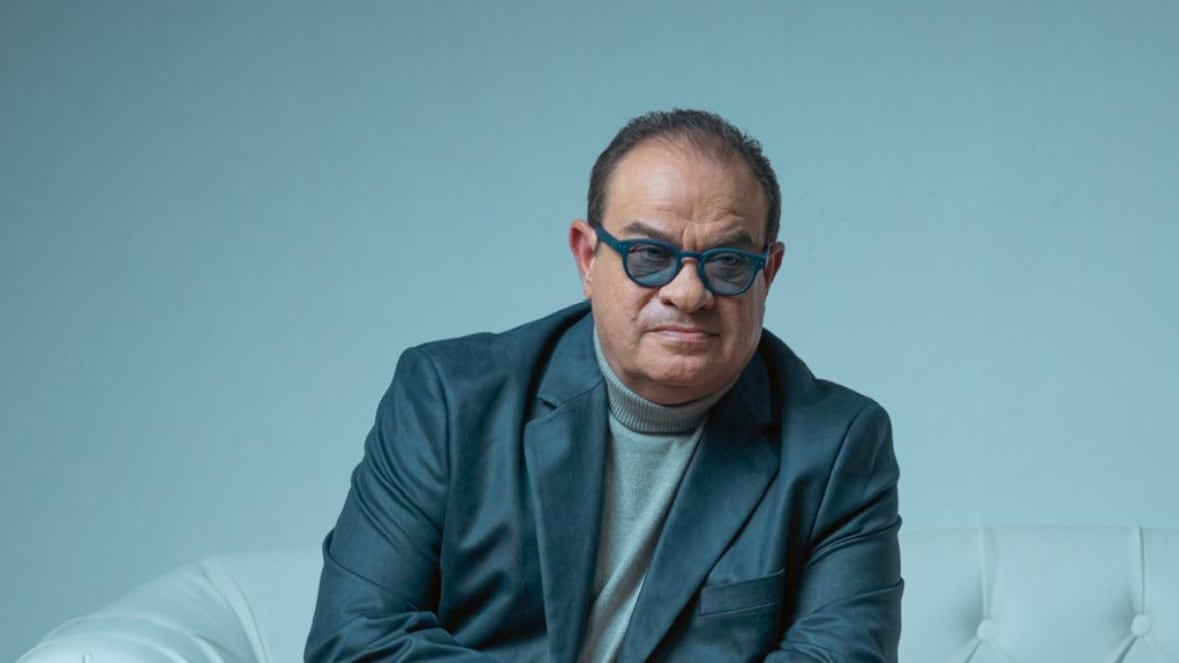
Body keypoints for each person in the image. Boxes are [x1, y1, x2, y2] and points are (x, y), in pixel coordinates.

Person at [306, 109, 902, 662]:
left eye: (727, 262)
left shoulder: (837, 445)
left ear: (767, 274)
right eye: (649, 255)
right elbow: (354, 642)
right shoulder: (449, 400)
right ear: (587, 258)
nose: (688, 293)